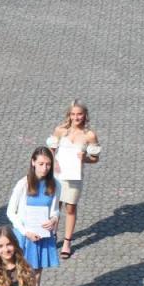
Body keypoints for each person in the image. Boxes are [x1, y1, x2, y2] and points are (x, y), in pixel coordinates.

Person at [6, 147, 60, 286]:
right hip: (24, 237)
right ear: (33, 162)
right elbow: (11, 212)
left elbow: (55, 209)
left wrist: (54, 219)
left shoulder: (55, 185)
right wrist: (25, 231)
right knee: (17, 275)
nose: (44, 168)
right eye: (41, 164)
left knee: (35, 278)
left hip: (42, 237)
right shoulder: (23, 184)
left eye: (48, 164)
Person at [46, 100, 100, 258]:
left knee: (70, 208)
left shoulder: (89, 135)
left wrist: (85, 159)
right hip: (58, 174)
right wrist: (54, 162)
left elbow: (95, 159)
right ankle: (52, 236)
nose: (76, 117)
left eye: (79, 114)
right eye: (73, 114)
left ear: (85, 115)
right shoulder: (60, 130)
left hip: (74, 177)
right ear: (69, 115)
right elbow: (51, 149)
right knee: (55, 206)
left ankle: (67, 242)